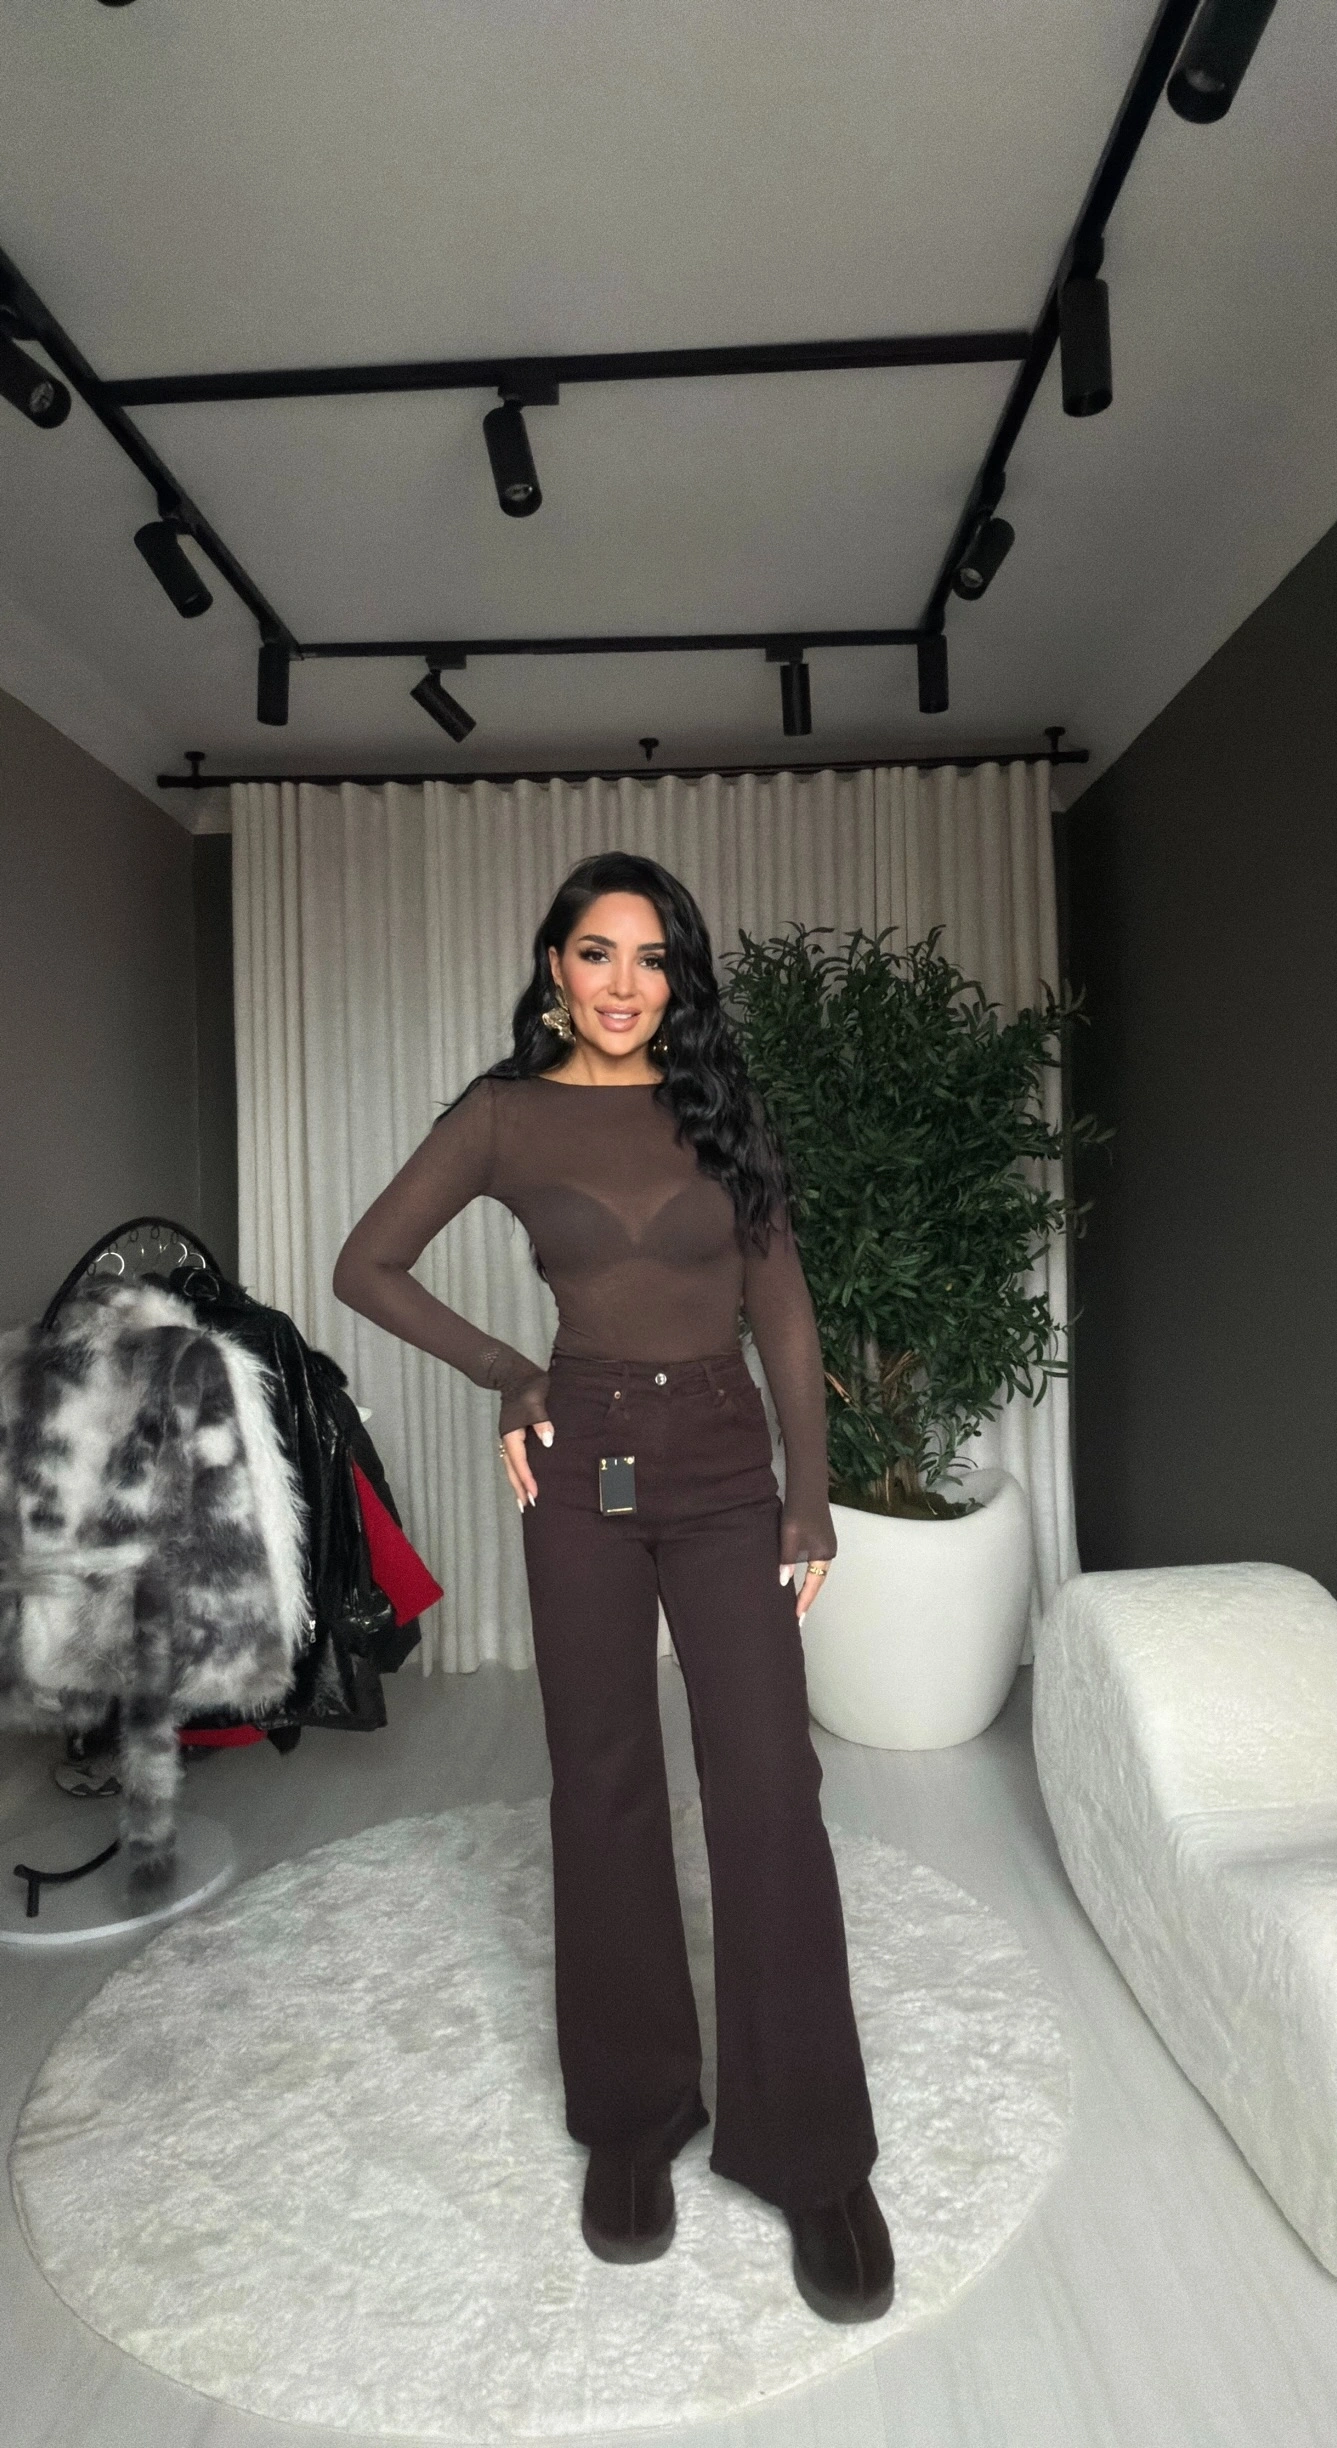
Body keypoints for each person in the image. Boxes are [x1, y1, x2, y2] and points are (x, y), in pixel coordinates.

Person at [333, 850, 893, 2323]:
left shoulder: (720, 1101)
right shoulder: (504, 1115)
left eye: (651, 957)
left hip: (722, 1465)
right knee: (604, 1783)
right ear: (556, 967)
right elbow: (366, 1264)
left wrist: (810, 1498)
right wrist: (507, 1373)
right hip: (581, 1467)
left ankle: (812, 2151)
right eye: (598, 953)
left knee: (769, 1790)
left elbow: (781, 1298)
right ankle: (634, 2122)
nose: (625, 984)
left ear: (677, 975)